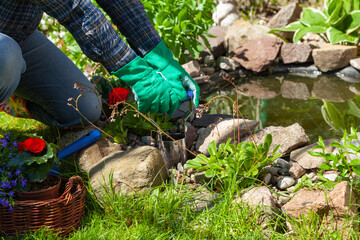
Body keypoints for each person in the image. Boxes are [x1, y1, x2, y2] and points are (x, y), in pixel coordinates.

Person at [0, 0, 200, 127]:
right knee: (6, 56)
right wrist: (140, 75)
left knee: (84, 110)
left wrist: (161, 59)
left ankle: (10, 97)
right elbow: (74, 9)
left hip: (17, 34)